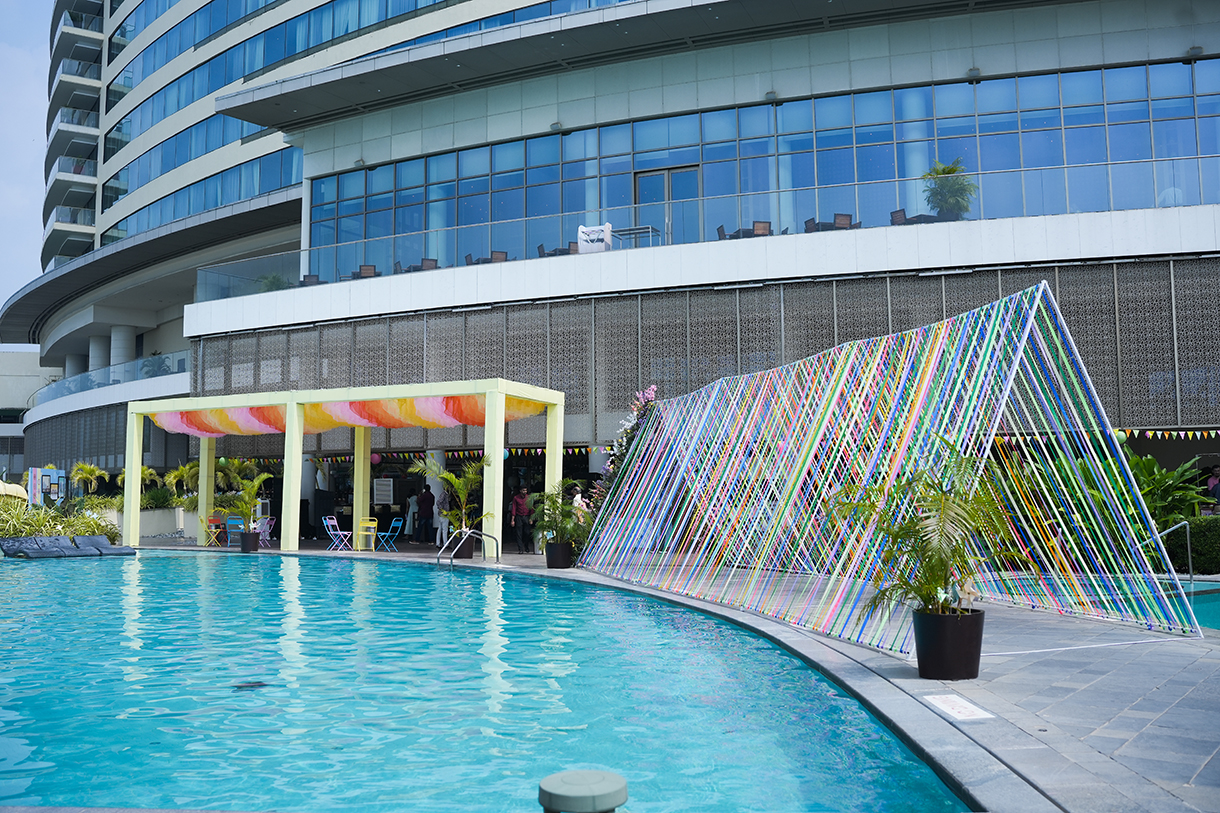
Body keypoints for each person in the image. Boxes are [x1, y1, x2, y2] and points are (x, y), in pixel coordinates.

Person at [510, 486, 533, 553]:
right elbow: (514, 508)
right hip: (519, 516)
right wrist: (512, 520)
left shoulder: (529, 498)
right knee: (519, 533)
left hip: (527, 516)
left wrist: (531, 518)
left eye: (525, 490)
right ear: (520, 491)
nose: (525, 492)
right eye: (523, 490)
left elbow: (531, 508)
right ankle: (520, 549)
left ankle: (526, 546)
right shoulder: (516, 498)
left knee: (527, 532)